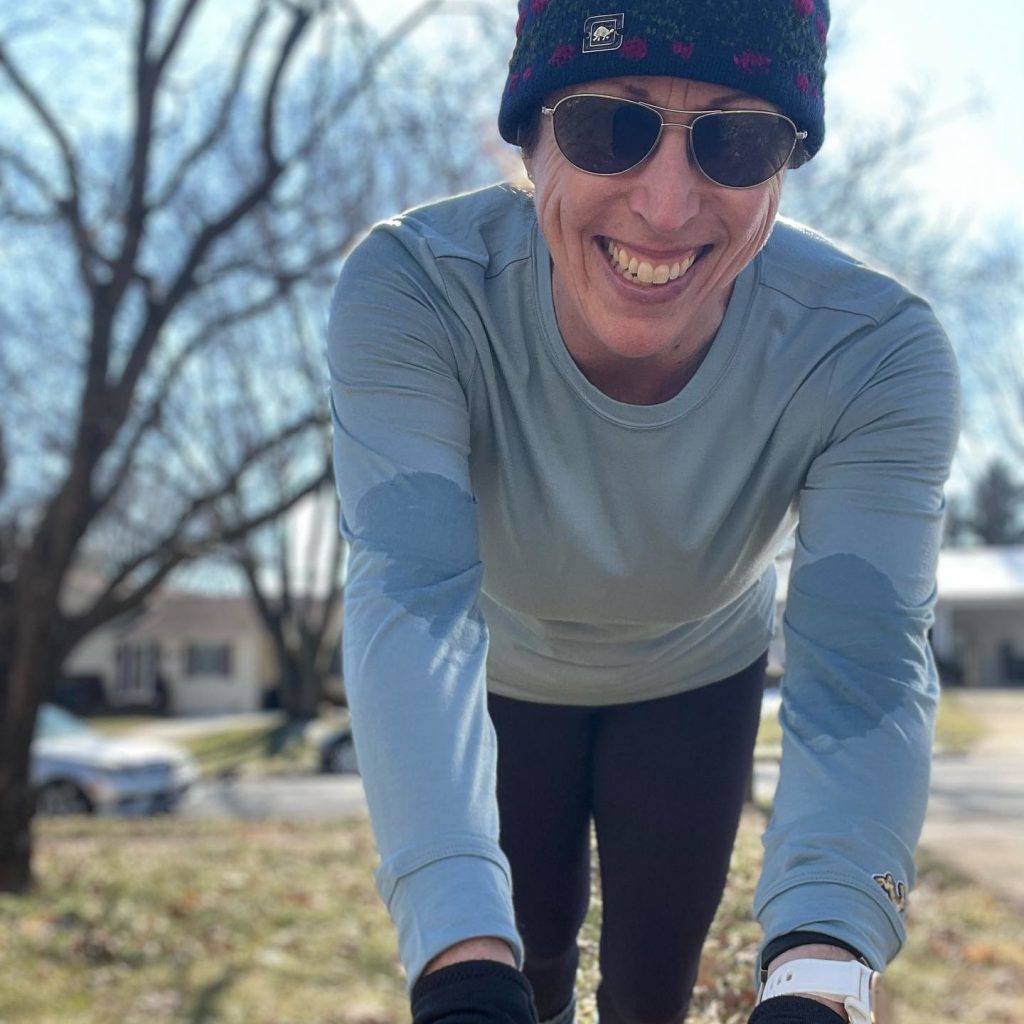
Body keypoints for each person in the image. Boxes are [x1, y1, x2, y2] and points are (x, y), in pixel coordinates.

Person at [326, 1, 960, 1021]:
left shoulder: (874, 353)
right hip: (496, 677)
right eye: (607, 126)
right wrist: (457, 955)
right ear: (530, 138)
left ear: (787, 161)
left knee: (647, 996)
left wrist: (822, 971)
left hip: (695, 680)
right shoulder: (415, 289)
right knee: (512, 979)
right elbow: (408, 593)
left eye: (737, 139)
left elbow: (865, 663)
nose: (666, 208)